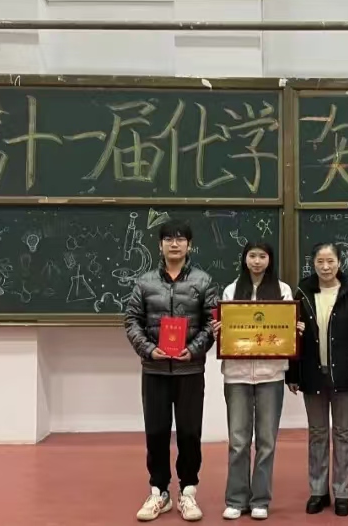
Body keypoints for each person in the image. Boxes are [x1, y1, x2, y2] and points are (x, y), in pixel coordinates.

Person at [125, 219, 218, 522]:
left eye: (180, 239)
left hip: (190, 369)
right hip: (154, 369)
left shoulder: (203, 281)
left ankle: (188, 492)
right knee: (156, 431)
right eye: (168, 239)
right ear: (160, 245)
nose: (174, 244)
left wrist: (195, 349)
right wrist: (149, 349)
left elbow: (213, 323)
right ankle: (159, 492)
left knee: (190, 432)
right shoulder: (145, 282)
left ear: (189, 245)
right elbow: (132, 321)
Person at [286, 241, 348, 517]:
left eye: (330, 261)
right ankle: (318, 491)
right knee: (317, 433)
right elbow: (291, 336)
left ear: (339, 263)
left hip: (344, 375)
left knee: (344, 433)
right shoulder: (302, 292)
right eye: (320, 262)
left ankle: (342, 492)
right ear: (313, 264)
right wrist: (292, 374)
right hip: (312, 373)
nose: (325, 267)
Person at [212, 242, 295, 521]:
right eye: (252, 256)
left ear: (270, 260)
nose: (257, 261)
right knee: (238, 440)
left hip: (271, 374)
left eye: (262, 256)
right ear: (244, 259)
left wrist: (294, 329)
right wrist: (219, 330)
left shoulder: (283, 291)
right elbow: (225, 331)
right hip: (237, 375)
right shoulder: (231, 290)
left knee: (266, 441)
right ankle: (236, 499)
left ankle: (260, 499)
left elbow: (286, 331)